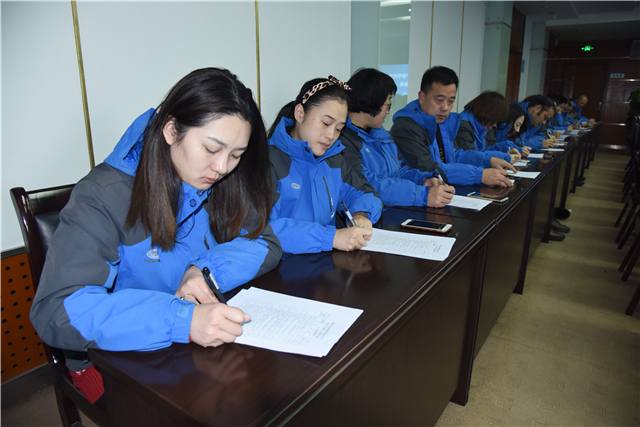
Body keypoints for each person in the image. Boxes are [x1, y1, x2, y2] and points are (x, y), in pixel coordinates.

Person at [30, 68, 282, 404]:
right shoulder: (104, 195)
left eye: (236, 155)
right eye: (211, 148)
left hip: (187, 347)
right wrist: (181, 319)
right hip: (115, 359)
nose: (223, 167)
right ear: (171, 129)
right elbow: (56, 311)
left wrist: (205, 269)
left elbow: (264, 241)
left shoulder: (219, 181)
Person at [268, 76, 383, 256]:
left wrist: (361, 214)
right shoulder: (268, 161)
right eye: (326, 123)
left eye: (338, 129)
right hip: (281, 265)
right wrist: (330, 238)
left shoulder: (332, 160)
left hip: (323, 261)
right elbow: (265, 229)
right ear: (300, 113)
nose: (331, 135)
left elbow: (364, 192)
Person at [339, 68, 455, 208]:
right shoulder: (342, 139)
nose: (388, 112)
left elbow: (400, 172)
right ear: (372, 102)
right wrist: (422, 195)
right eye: (387, 105)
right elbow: (365, 184)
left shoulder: (382, 135)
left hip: (395, 207)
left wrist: (423, 180)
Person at [390, 66, 516, 188]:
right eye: (439, 100)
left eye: (451, 101)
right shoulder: (405, 128)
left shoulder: (442, 122)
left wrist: (489, 160)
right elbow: (429, 168)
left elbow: (454, 155)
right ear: (422, 97)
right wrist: (479, 175)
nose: (445, 107)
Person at [448, 90, 520, 163]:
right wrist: (503, 157)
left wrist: (506, 147)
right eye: (494, 120)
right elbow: (471, 157)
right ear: (487, 112)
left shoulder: (482, 126)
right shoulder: (463, 125)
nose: (494, 125)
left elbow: (485, 150)